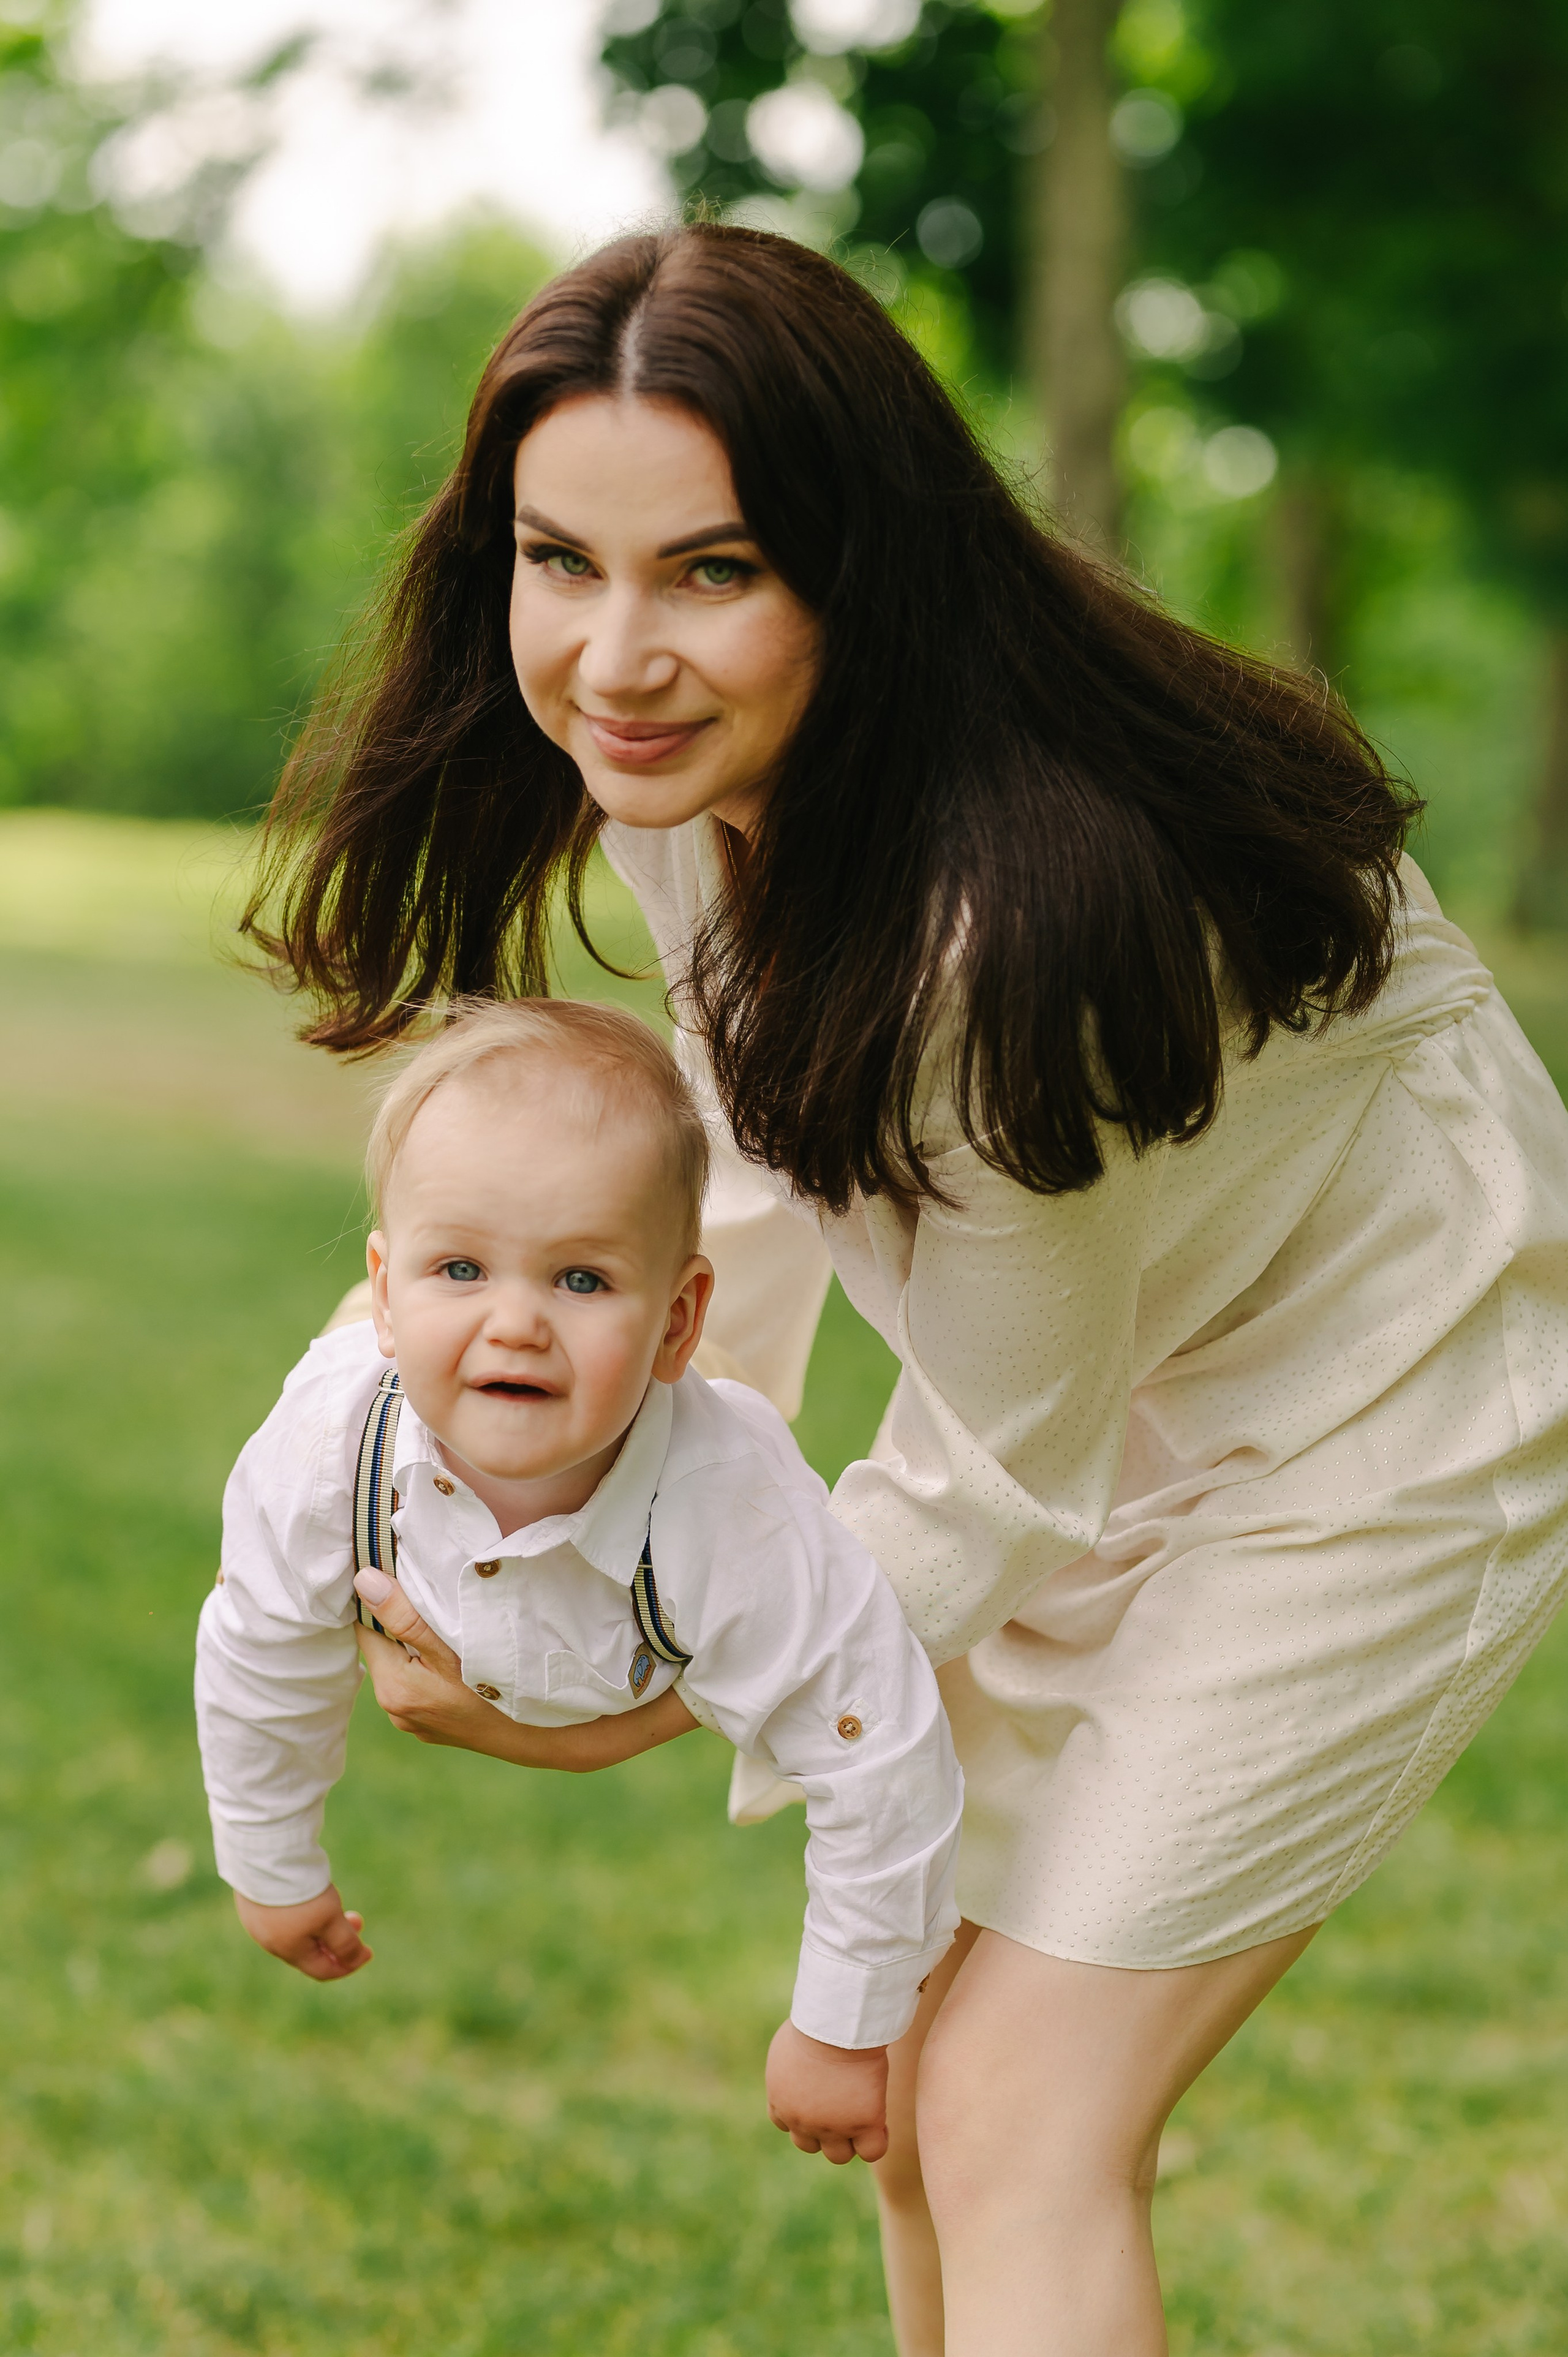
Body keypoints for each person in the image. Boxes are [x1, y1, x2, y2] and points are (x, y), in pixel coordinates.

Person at [242, 224, 1568, 2357]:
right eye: (558, 558)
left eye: (713, 569)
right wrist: (541, 1494)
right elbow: (738, 1183)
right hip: (1134, 1352)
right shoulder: (709, 792)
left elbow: (991, 1481)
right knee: (927, 2072)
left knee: (1024, 2104)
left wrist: (629, 1670)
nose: (611, 655)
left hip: (1400, 1389)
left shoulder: (1000, 922)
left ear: (865, 565)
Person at [196, 996, 963, 2165]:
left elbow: (876, 1749)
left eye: (582, 1281)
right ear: (394, 1286)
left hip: (648, 1526)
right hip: (401, 1429)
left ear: (677, 1318)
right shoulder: (324, 1453)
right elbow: (259, 1650)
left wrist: (843, 2028)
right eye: (462, 1267)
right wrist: (271, 1864)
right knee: (367, 1412)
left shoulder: (737, 1508)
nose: (517, 1323)